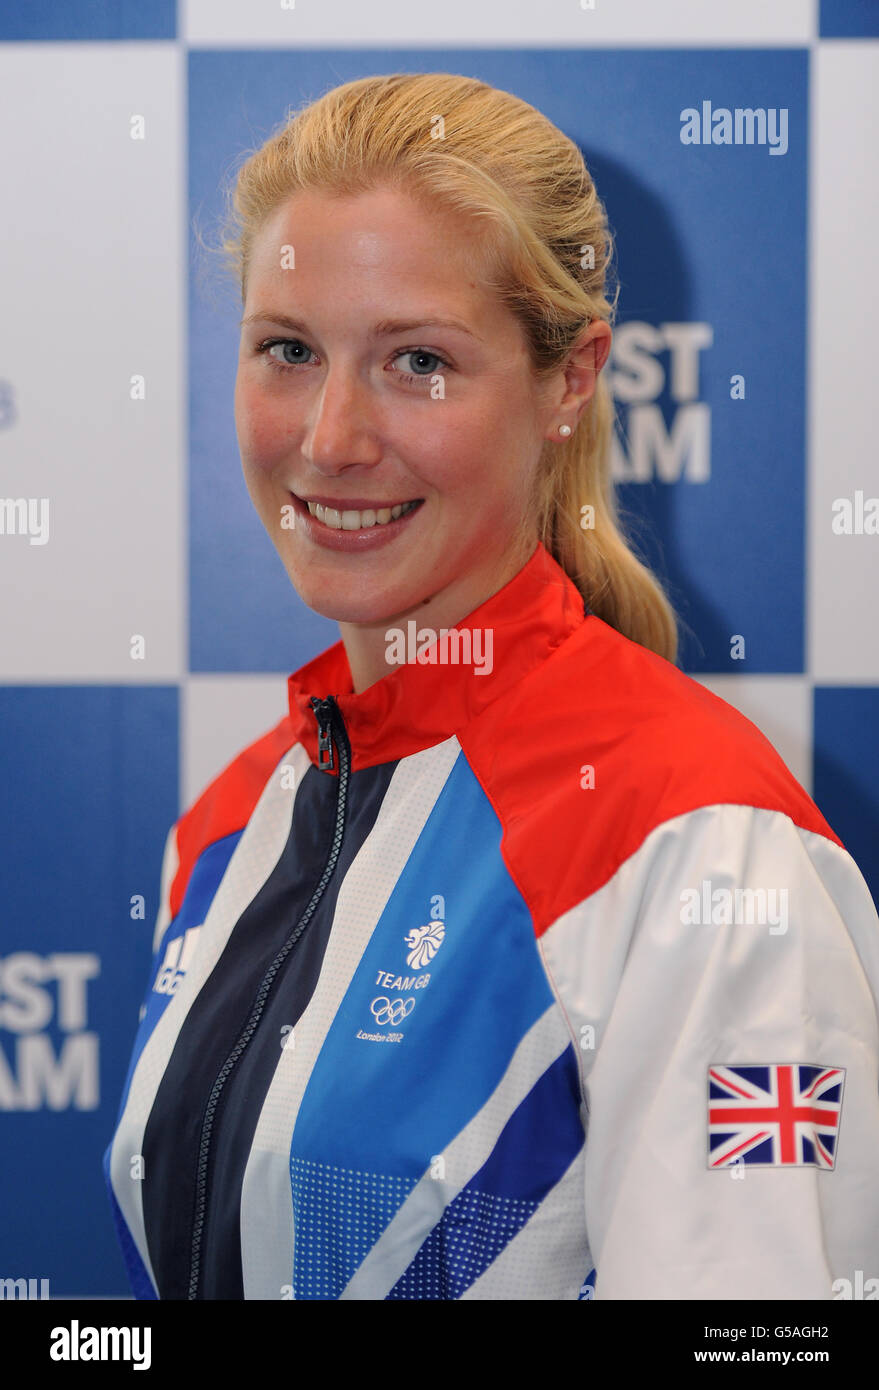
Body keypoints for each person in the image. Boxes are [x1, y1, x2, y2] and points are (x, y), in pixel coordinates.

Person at [105, 72, 879, 1301]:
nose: (332, 437)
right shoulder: (232, 823)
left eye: (417, 360)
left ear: (570, 380)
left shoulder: (697, 838)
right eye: (289, 351)